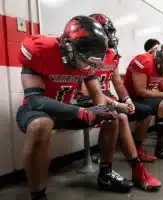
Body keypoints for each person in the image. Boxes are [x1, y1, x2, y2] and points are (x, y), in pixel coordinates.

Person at [16, 16, 134, 200]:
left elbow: (96, 93)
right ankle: (38, 194)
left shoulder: (87, 61)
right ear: (68, 46)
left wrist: (100, 111)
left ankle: (105, 174)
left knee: (112, 116)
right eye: (85, 59)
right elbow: (35, 100)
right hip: (39, 111)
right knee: (41, 124)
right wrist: (82, 112)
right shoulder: (41, 50)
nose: (88, 66)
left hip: (68, 108)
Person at [76, 14, 161, 191]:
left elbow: (118, 84)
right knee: (119, 117)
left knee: (134, 111)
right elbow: (87, 92)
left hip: (106, 98)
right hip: (85, 99)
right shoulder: (83, 53)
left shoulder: (111, 55)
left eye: (110, 32)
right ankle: (134, 169)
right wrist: (116, 104)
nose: (110, 36)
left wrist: (126, 99)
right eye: (107, 32)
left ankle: (128, 166)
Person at [123, 42, 163, 160]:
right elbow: (140, 91)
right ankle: (137, 147)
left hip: (145, 97)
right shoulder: (144, 61)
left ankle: (161, 146)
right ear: (160, 60)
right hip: (129, 98)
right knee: (148, 110)